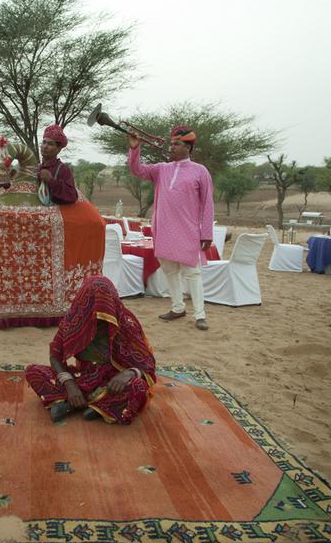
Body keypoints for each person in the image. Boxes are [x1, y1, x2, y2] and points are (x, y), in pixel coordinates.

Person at [25, 275, 155, 424]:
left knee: (138, 387)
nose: (100, 323)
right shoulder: (74, 319)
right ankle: (96, 406)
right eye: (95, 316)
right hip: (81, 378)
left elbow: (148, 364)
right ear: (85, 307)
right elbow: (55, 355)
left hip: (111, 384)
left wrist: (130, 372)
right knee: (33, 372)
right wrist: (69, 384)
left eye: (105, 316)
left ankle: (72, 404)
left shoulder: (126, 323)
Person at [128, 125, 215, 330]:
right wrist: (134, 149)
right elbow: (136, 169)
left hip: (189, 232)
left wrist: (207, 233)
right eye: (171, 144)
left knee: (192, 273)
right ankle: (177, 308)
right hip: (163, 230)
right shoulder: (161, 169)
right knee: (169, 271)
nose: (172, 148)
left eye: (177, 144)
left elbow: (207, 204)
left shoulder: (200, 171)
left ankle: (200, 315)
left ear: (188, 147)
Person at [38, 124, 78, 204]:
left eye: (50, 144)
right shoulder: (37, 168)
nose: (45, 146)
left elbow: (72, 196)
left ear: (58, 149)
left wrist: (51, 181)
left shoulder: (63, 169)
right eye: (44, 142)